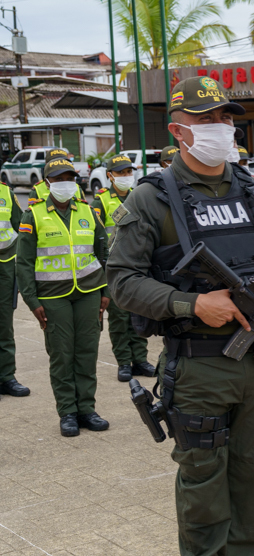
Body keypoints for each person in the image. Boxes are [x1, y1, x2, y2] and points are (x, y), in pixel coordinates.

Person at [106, 77, 254, 556]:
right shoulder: (153, 198)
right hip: (198, 365)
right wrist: (192, 303)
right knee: (202, 480)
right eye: (207, 116)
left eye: (225, 116)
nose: (221, 126)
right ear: (179, 130)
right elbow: (122, 282)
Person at [17, 158, 109, 437]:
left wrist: (105, 292)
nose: (65, 183)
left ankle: (87, 410)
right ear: (47, 183)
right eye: (58, 179)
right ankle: (68, 412)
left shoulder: (88, 212)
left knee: (86, 353)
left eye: (69, 177)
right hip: (52, 297)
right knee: (61, 355)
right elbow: (24, 262)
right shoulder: (33, 215)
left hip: (88, 294)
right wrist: (32, 302)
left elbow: (103, 255)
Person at [90, 153, 156, 383]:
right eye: (121, 173)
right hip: (114, 268)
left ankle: (140, 359)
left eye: (129, 172)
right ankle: (124, 362)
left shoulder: (139, 197)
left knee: (140, 314)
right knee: (119, 319)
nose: (127, 176)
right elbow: (97, 238)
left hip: (138, 266)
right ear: (110, 176)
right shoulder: (100, 202)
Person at [0, 171, 29, 400]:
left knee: (5, 326)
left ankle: (7, 377)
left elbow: (20, 227)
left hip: (5, 266)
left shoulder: (6, 193)